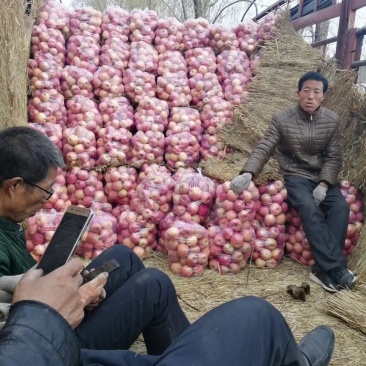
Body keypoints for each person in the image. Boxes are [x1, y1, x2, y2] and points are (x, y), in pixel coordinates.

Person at [0, 126, 190, 353]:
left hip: (43, 316)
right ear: (15, 185)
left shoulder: (7, 220)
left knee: (124, 256)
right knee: (155, 286)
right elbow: (13, 332)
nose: (47, 201)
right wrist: (74, 299)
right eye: (46, 191)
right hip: (44, 346)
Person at [0, 259, 335, 366]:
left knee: (141, 271)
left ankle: (178, 355)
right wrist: (38, 315)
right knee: (255, 315)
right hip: (30, 346)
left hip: (27, 343)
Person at [230, 71, 356, 293]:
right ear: (297, 93)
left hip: (321, 177)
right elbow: (265, 146)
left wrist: (325, 184)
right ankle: (337, 269)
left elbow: (334, 157)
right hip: (295, 174)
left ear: (324, 96)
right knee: (308, 208)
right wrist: (248, 172)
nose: (310, 96)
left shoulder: (331, 120)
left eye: (316, 92)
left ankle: (321, 270)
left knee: (340, 207)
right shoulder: (282, 119)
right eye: (306, 90)